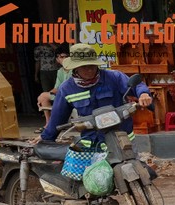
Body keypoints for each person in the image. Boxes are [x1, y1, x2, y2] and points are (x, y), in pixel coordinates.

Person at [37, 44, 153, 179]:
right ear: (75, 67)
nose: (89, 70)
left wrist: (143, 94)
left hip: (122, 140)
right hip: (91, 145)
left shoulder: (114, 77)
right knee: (93, 183)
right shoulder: (66, 89)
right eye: (84, 67)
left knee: (137, 174)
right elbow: (58, 118)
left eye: (92, 65)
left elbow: (136, 85)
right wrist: (45, 138)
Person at [35, 46, 71, 134]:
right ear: (57, 59)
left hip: (71, 94)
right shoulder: (60, 71)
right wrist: (45, 94)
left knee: (44, 96)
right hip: (62, 94)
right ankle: (48, 124)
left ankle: (53, 124)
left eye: (66, 57)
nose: (64, 59)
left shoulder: (74, 70)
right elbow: (56, 88)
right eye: (61, 57)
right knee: (43, 97)